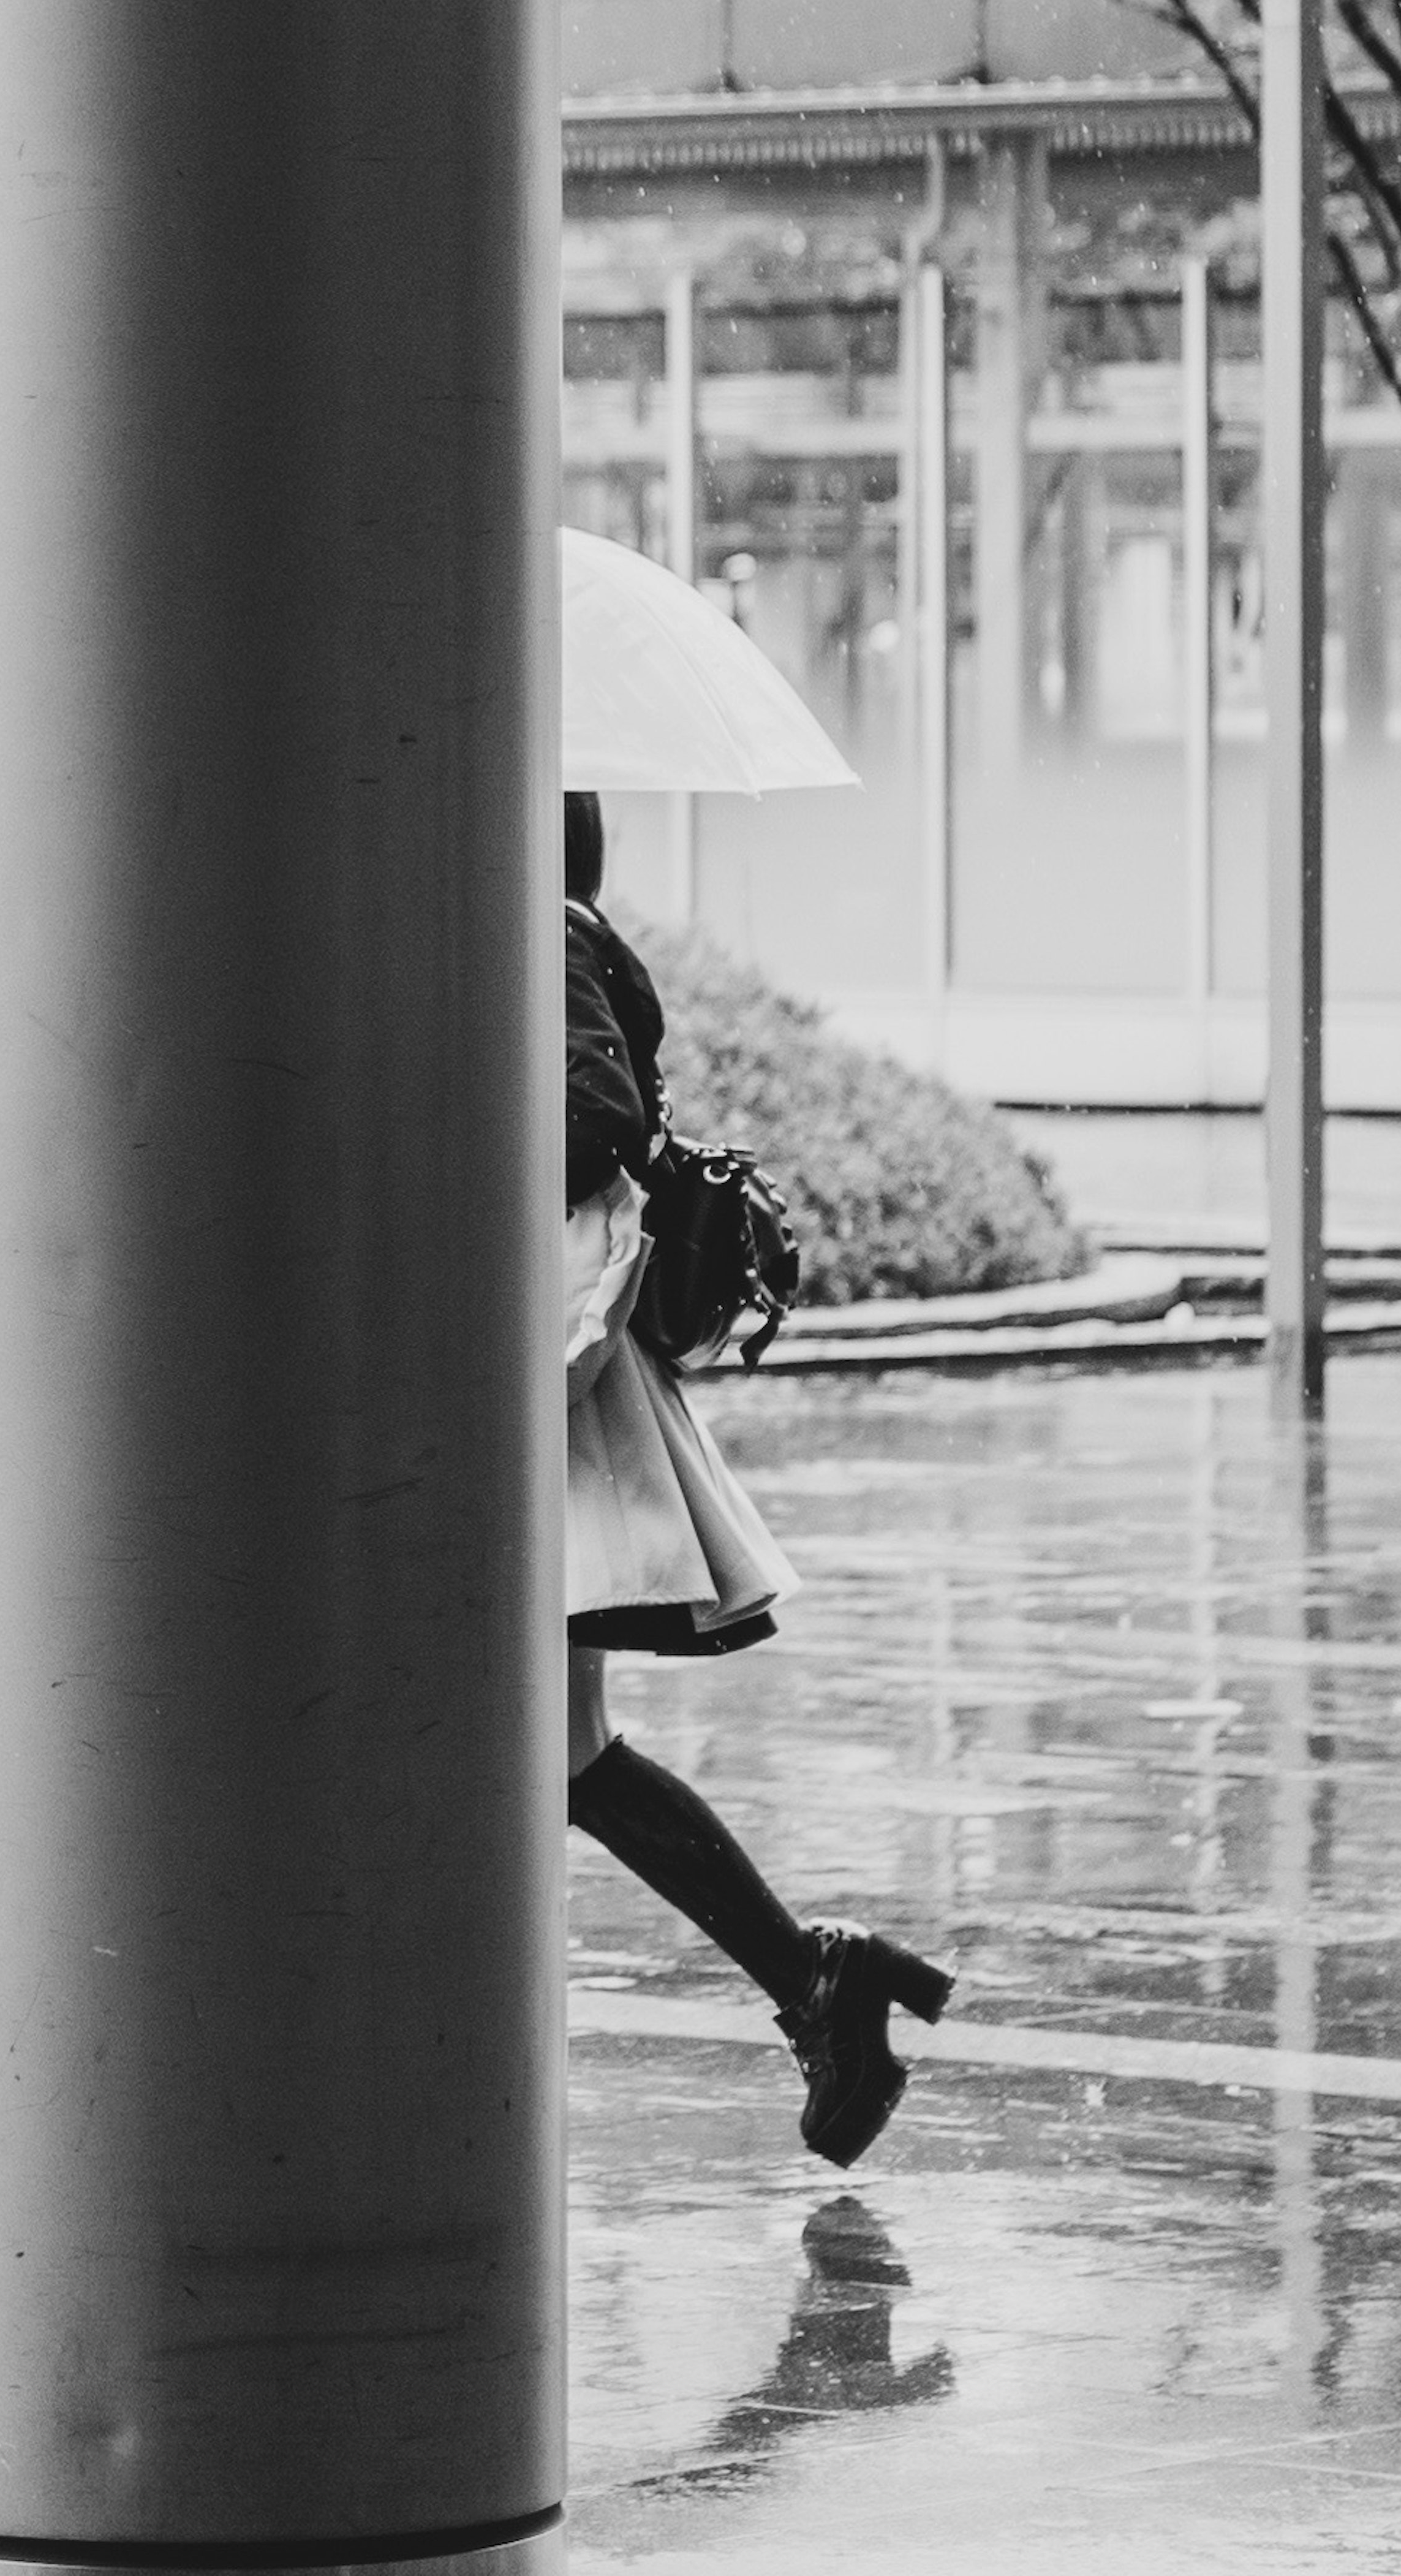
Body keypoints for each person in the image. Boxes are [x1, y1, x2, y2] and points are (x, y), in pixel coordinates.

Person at [559, 789, 953, 2169]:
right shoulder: (570, 938)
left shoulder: (542, 941)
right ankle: (819, 1985)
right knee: (562, 1751)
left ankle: (818, 1984)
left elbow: (591, 1114)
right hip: (560, 1377)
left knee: (542, 1747)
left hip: (547, 1378)